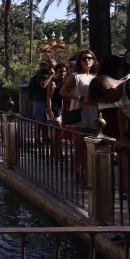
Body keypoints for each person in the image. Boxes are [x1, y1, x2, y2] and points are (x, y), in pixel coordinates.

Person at [88, 74, 130, 230]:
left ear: (111, 89)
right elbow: (122, 111)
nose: (108, 103)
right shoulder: (118, 94)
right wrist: (123, 137)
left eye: (107, 100)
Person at [60, 49, 99, 185]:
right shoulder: (75, 76)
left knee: (90, 148)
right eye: (83, 58)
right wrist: (78, 97)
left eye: (89, 58)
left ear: (93, 60)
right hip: (79, 113)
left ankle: (89, 178)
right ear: (80, 61)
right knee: (79, 147)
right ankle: (76, 178)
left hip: (93, 114)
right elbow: (63, 92)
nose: (87, 60)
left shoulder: (96, 77)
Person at [30, 59, 55, 145]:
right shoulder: (41, 72)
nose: (51, 68)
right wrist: (50, 76)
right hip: (39, 99)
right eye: (50, 66)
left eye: (53, 67)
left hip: (47, 99)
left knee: (45, 120)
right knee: (39, 119)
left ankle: (45, 137)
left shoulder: (52, 72)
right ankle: (37, 138)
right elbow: (43, 85)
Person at [46, 63, 68, 160]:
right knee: (59, 130)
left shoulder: (65, 82)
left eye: (64, 71)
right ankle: (57, 153)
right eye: (60, 72)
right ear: (56, 72)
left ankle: (54, 152)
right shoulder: (53, 83)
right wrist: (49, 109)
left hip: (61, 109)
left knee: (59, 132)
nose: (62, 73)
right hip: (54, 109)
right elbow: (49, 97)